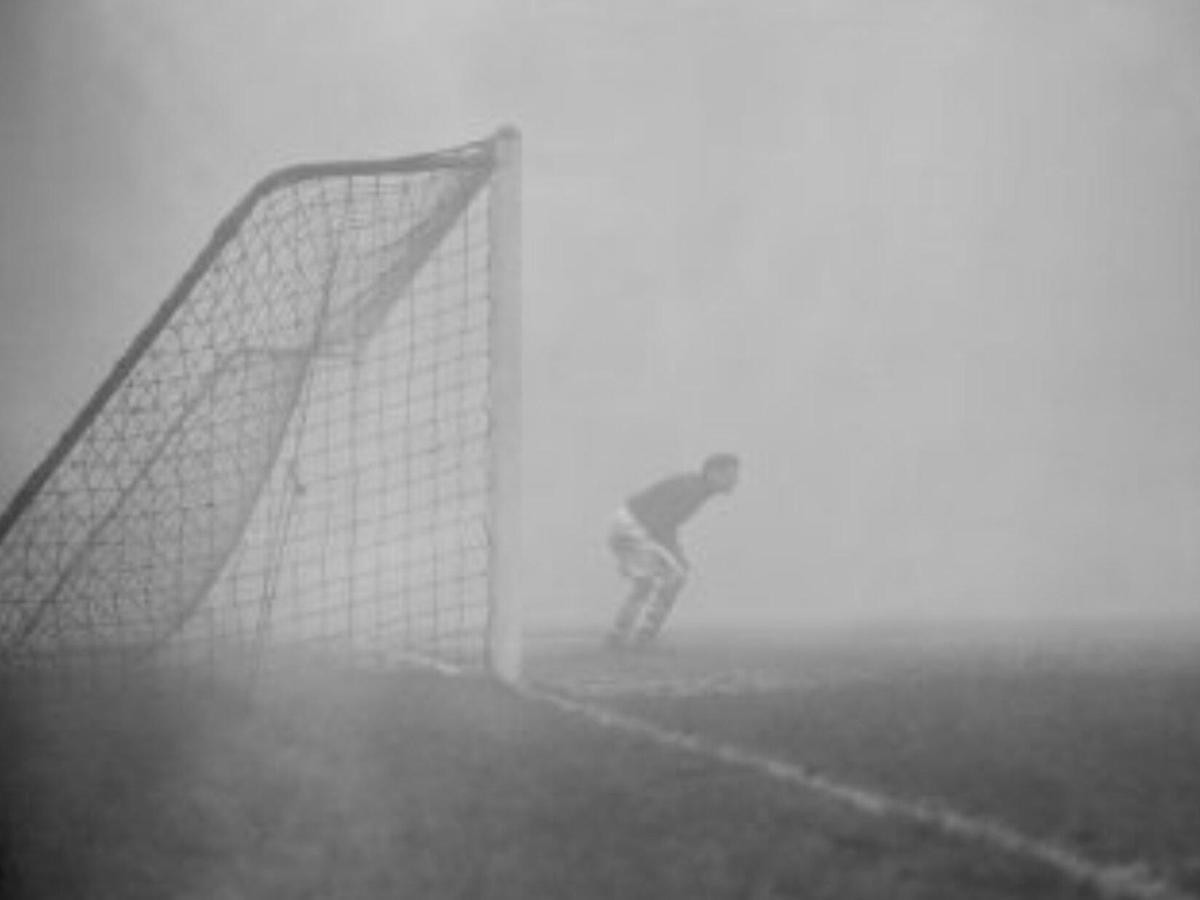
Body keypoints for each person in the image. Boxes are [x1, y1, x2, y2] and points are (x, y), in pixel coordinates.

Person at [606, 453, 740, 648]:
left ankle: (622, 635)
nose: (735, 481)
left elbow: (665, 522)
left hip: (628, 524)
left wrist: (674, 551)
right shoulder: (693, 489)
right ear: (713, 473)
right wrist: (676, 553)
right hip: (633, 527)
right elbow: (661, 522)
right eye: (730, 475)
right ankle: (643, 636)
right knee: (675, 575)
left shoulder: (695, 488)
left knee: (648, 582)